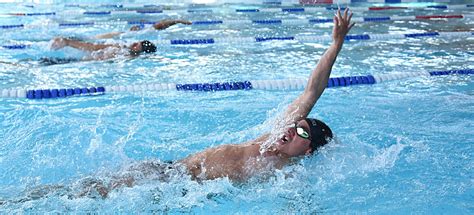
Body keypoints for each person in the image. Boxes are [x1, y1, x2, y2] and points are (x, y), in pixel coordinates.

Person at [4, 8, 354, 202]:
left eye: (300, 132)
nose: (291, 130)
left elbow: (295, 203)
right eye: (296, 125)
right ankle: (17, 202)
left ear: (307, 151)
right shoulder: (273, 135)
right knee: (87, 188)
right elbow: (311, 91)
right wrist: (335, 45)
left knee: (92, 195)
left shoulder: (282, 174)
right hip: (170, 170)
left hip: (179, 191)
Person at [48, 37, 157, 61]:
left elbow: (92, 47)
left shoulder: (118, 48)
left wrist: (68, 42)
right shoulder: (128, 57)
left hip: (77, 62)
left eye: (139, 44)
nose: (135, 42)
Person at [94, 19, 192, 39]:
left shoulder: (139, 34)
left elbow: (159, 25)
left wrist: (178, 21)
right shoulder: (131, 34)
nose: (135, 27)